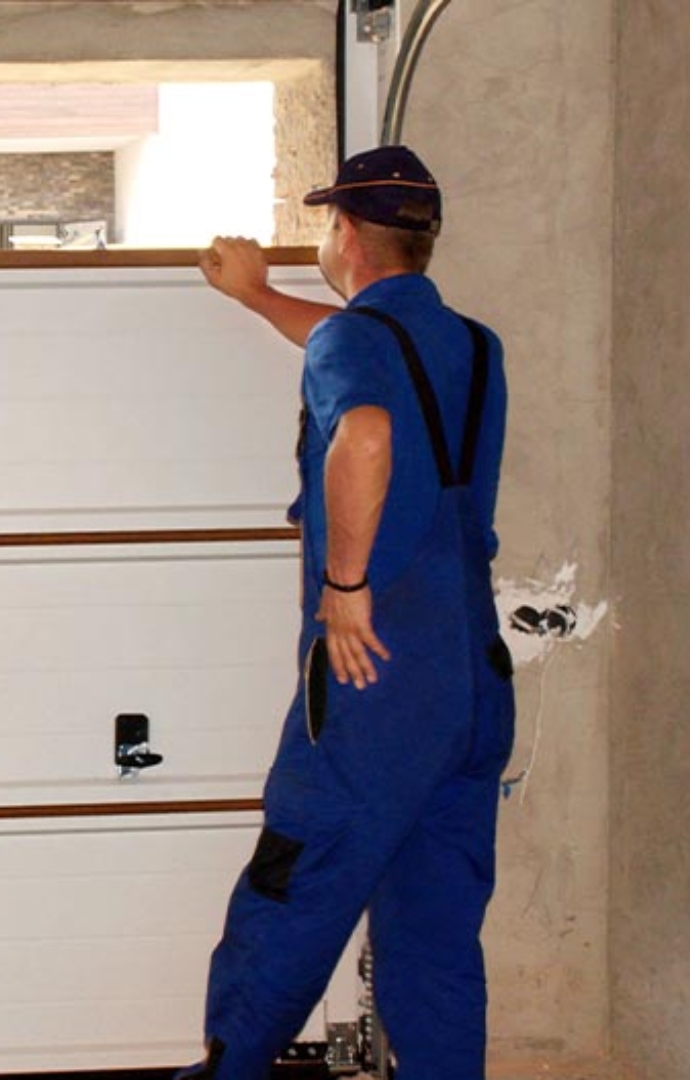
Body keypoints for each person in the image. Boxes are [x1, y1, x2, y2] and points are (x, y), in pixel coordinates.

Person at [180, 146, 514, 1079]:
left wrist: (345, 585)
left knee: (298, 884)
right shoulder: (474, 346)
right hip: (472, 678)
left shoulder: (350, 348)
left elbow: (365, 432)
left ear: (346, 234)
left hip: (378, 681)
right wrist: (258, 299)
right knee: (436, 921)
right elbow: (371, 354)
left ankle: (228, 1072)